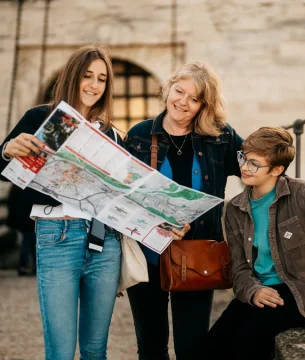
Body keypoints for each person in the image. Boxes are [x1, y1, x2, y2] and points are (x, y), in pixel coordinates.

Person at [0, 45, 123, 360]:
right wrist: (8, 149)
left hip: (105, 242)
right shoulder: (42, 117)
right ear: (73, 77)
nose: (93, 85)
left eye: (102, 79)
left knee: (95, 350)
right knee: (61, 352)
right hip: (57, 234)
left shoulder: (112, 134)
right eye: (87, 76)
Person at [202, 127, 305, 360]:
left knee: (247, 344)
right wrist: (253, 290)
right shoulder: (235, 209)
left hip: (299, 291)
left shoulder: (302, 193)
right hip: (259, 288)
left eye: (254, 163)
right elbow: (239, 267)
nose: (244, 167)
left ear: (277, 169)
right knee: (210, 348)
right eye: (243, 158)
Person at [123, 61, 244, 360]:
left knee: (192, 347)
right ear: (168, 90)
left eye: (194, 98)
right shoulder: (138, 135)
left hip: (197, 255)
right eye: (179, 91)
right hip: (147, 254)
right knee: (150, 347)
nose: (183, 102)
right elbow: (122, 195)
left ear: (205, 104)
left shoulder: (221, 137)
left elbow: (259, 169)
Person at [6, 184, 36, 276]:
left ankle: (26, 265)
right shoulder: (27, 188)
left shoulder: (14, 188)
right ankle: (26, 265)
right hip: (28, 221)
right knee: (29, 243)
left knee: (28, 242)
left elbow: (11, 206)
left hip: (22, 221)